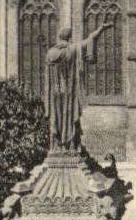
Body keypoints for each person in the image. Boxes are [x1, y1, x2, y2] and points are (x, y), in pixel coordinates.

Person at [46, 21, 107, 151]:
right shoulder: (73, 49)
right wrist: (100, 29)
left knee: (57, 117)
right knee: (70, 117)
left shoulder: (50, 53)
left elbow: (47, 78)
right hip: (69, 92)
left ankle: (58, 145)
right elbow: (90, 40)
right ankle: (71, 144)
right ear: (68, 38)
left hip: (55, 93)